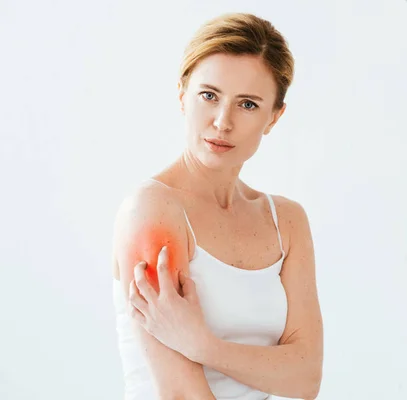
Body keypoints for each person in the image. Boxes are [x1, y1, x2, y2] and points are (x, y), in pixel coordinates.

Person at [111, 12, 324, 400]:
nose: (222, 122)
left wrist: (204, 347)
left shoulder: (287, 221)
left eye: (247, 104)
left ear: (274, 117)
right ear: (182, 95)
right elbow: (180, 393)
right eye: (208, 95)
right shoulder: (153, 210)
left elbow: (306, 377)